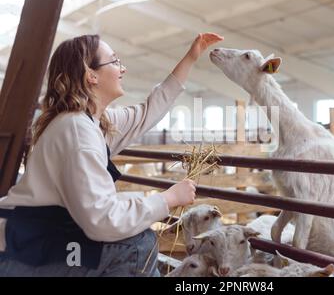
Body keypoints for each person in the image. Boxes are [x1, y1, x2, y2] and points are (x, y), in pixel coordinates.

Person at [0, 32, 224, 277]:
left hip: (35, 238)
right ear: (91, 75)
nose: (123, 69)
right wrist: (168, 199)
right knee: (138, 245)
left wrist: (190, 58)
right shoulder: (77, 131)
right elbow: (102, 221)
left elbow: (148, 111)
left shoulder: (90, 121)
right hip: (22, 251)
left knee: (136, 241)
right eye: (115, 61)